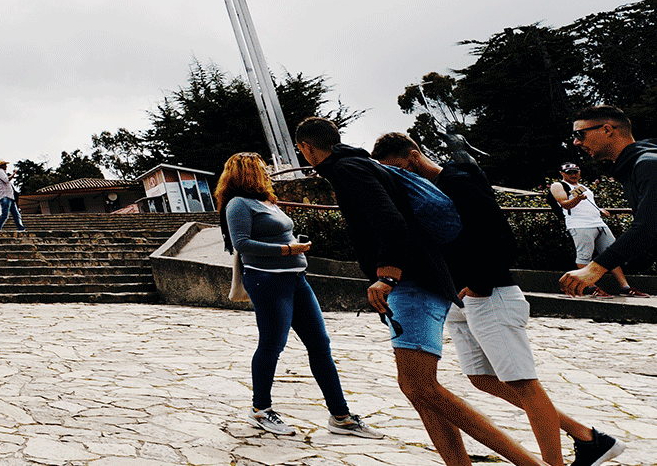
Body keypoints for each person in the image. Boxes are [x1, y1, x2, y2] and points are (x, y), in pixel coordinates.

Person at [294, 116, 547, 466]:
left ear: (306, 148)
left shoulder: (347, 169)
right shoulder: (361, 163)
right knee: (417, 391)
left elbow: (388, 220)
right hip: (421, 280)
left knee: (421, 387)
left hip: (412, 283)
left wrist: (388, 275)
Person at [375, 133, 626, 466]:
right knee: (481, 379)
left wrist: (480, 285)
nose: (400, 178)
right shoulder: (431, 191)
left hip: (491, 294)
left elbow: (501, 238)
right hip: (461, 297)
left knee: (525, 386)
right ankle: (587, 437)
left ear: (414, 155)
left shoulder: (459, 181)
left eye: (401, 169)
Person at [215, 153, 380, 439]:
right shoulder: (238, 204)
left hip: (297, 279)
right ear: (248, 173)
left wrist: (295, 245)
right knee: (272, 344)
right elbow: (241, 243)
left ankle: (340, 415)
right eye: (262, 169)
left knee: (320, 343)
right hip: (267, 281)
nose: (267, 173)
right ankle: (260, 410)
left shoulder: (269, 202)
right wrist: (287, 250)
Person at [562, 105, 656, 299]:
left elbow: (649, 226)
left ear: (607, 129)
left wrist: (595, 268)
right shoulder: (637, 166)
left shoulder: (648, 164)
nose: (576, 142)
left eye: (580, 134)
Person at [549, 163, 644, 297]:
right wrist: (577, 199)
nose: (573, 174)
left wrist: (598, 210)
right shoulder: (558, 185)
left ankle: (625, 287)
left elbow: (586, 203)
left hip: (598, 223)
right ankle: (591, 287)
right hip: (580, 224)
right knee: (584, 255)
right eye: (569, 172)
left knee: (613, 254)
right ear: (562, 173)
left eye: (575, 171)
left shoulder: (582, 187)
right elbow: (565, 204)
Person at [0, 162, 25, 231]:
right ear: (2, 165)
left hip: (10, 197)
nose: (6, 166)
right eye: (5, 165)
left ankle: (21, 228)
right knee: (5, 214)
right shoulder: (0, 172)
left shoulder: (2, 172)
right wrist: (13, 174)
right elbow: (6, 180)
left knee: (16, 215)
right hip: (5, 196)